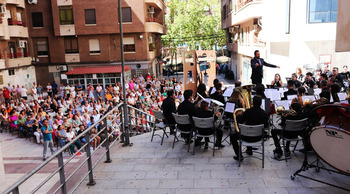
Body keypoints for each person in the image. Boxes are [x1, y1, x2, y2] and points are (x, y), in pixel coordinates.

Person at [230, 96, 269, 160]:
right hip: (258, 137)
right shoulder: (264, 114)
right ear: (261, 103)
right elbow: (266, 126)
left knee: (233, 136)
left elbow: (240, 121)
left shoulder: (248, 111)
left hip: (246, 136)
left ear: (253, 103)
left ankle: (239, 155)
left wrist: (239, 115)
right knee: (251, 129)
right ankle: (249, 150)